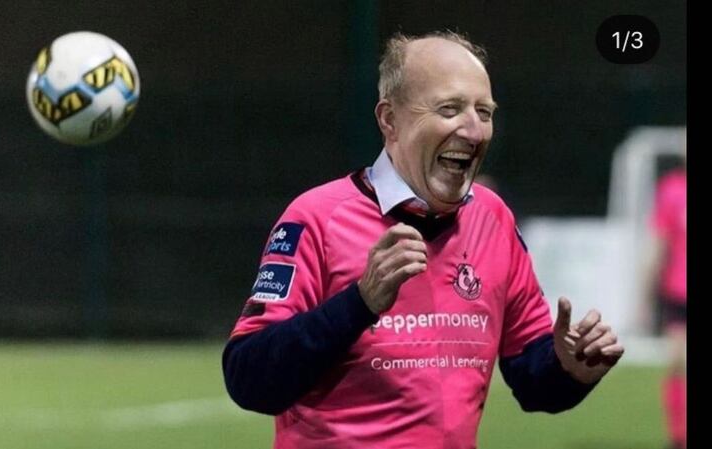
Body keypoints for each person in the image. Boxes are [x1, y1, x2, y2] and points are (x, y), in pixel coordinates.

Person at [222, 30, 624, 449]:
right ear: (389, 120)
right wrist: (359, 303)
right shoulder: (316, 218)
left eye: (484, 112)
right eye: (450, 109)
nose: (473, 130)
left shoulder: (494, 219)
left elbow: (532, 380)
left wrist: (570, 369)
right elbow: (248, 380)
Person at [642, 156, 687, 449]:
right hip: (679, 291)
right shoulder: (672, 189)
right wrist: (646, 292)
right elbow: (659, 242)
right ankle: (678, 436)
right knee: (677, 362)